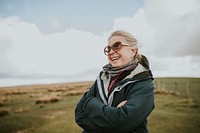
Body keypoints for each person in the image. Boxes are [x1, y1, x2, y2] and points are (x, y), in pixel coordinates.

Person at [75, 30, 154, 133]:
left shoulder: (143, 82)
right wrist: (112, 121)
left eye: (117, 46)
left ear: (133, 51)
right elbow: (79, 115)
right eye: (108, 49)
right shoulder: (102, 77)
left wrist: (90, 103)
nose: (111, 52)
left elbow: (123, 122)